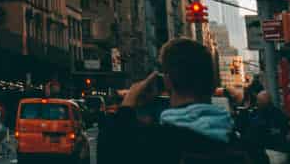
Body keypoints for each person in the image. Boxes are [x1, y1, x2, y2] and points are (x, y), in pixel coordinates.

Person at [103, 37, 265, 163]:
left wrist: (130, 100)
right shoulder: (250, 151)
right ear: (212, 85)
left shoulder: (146, 146)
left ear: (167, 81)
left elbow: (111, 149)